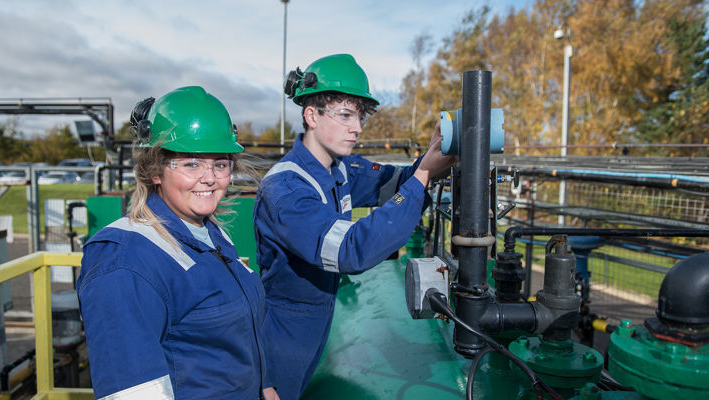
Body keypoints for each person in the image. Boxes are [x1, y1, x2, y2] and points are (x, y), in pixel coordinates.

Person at [254, 54, 456, 399]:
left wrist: (432, 157)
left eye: (359, 116)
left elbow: (396, 182)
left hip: (318, 318)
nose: (358, 127)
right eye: (345, 115)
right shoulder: (286, 189)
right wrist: (423, 175)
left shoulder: (340, 168)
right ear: (311, 115)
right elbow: (350, 250)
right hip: (284, 330)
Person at [77, 86, 277, 400]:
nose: (210, 178)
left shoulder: (210, 232)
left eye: (220, 164)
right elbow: (134, 392)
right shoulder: (125, 262)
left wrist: (264, 385)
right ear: (155, 170)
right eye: (192, 164)